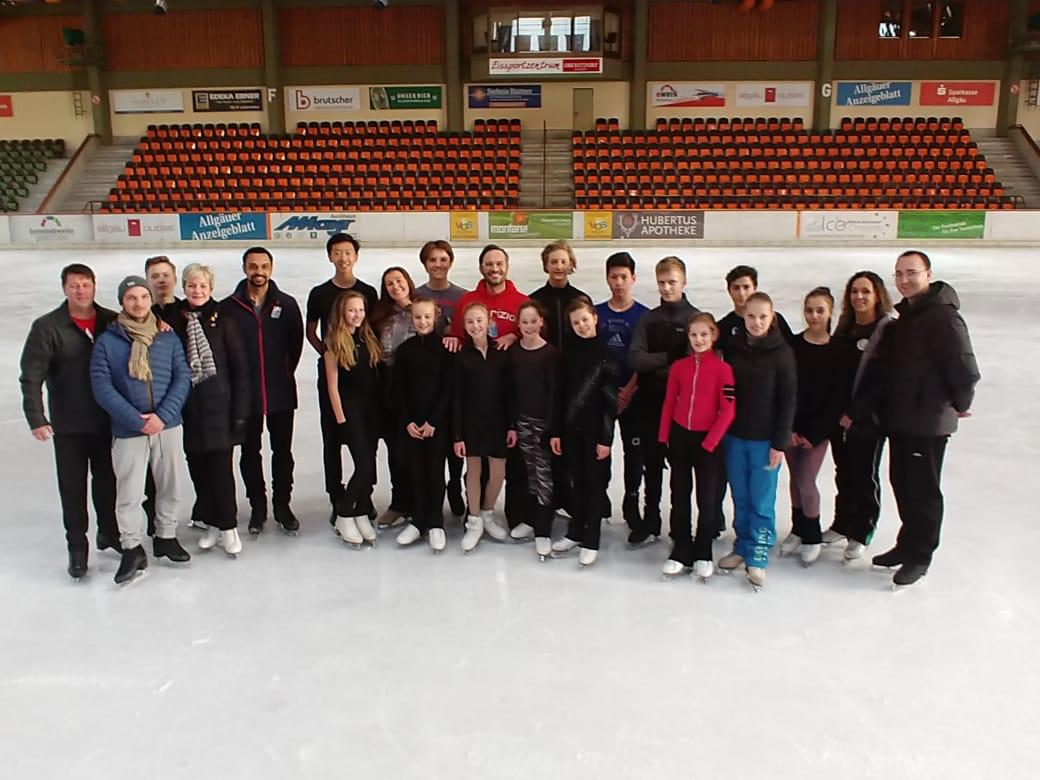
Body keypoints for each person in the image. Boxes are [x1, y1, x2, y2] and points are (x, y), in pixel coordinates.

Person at [850, 250, 980, 587]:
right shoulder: (906, 316)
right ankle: (906, 545)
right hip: (901, 418)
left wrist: (959, 402)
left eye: (912, 272)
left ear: (928, 274)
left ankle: (920, 554)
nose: (905, 280)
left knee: (922, 491)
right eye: (899, 273)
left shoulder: (942, 317)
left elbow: (964, 367)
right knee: (902, 484)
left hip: (927, 421)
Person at [20, 264, 120, 579]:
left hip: (106, 420)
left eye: (86, 284)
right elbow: (31, 376)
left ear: (94, 286)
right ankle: (77, 546)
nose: (81, 291)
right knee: (73, 488)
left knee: (108, 482)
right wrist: (37, 417)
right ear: (65, 288)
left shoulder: (110, 320)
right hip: (69, 425)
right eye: (74, 285)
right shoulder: (48, 326)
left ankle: (109, 531)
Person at [89, 276, 192, 585]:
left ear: (150, 300)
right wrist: (136, 420)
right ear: (122, 301)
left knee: (170, 483)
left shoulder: (167, 337)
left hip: (167, 425)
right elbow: (102, 386)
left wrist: (163, 416)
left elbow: (182, 377)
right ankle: (132, 546)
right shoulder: (108, 342)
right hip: (129, 430)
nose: (138, 303)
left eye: (143, 297)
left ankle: (166, 535)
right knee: (130, 492)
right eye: (131, 298)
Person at [164, 264, 251, 558]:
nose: (197, 291)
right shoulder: (174, 321)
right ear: (184, 287)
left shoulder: (224, 321)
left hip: (219, 408)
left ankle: (228, 527)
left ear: (210, 288)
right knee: (198, 469)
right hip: (187, 409)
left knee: (221, 470)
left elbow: (240, 370)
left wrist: (240, 415)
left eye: (202, 286)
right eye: (191, 285)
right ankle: (212, 522)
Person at [222, 247, 304, 536]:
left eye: (264, 266)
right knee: (249, 452)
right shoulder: (228, 307)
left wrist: (282, 372)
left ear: (271, 268)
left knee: (282, 451)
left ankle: (283, 505)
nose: (259, 272)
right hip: (245, 396)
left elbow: (296, 345)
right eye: (253, 266)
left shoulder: (288, 304)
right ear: (245, 268)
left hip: (280, 392)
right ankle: (258, 507)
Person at [719, 292, 797, 589]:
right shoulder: (735, 347)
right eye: (751, 316)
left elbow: (789, 400)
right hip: (735, 437)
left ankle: (758, 554)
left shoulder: (782, 354)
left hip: (765, 441)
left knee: (762, 501)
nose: (756, 322)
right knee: (740, 497)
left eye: (762, 316)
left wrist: (780, 442)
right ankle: (742, 545)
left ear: (772, 317)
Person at [306, 233, 379, 519]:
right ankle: (337, 495)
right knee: (333, 438)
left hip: (362, 373)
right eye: (338, 252)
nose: (343, 258)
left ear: (356, 256)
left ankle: (364, 494)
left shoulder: (368, 292)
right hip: (334, 374)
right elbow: (310, 330)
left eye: (348, 252)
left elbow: (369, 329)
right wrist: (331, 353)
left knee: (366, 441)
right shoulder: (320, 293)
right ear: (330, 256)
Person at [657, 313, 735, 581]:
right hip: (680, 438)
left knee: (708, 499)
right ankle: (681, 549)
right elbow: (668, 403)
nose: (699, 340)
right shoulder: (680, 367)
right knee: (679, 495)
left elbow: (728, 410)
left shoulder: (723, 369)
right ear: (688, 337)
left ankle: (703, 551)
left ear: (713, 335)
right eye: (694, 335)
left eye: (704, 334)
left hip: (708, 442)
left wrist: (710, 442)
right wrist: (663, 438)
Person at [627, 256, 698, 545]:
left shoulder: (694, 318)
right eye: (662, 282)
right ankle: (650, 520)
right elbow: (635, 358)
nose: (667, 288)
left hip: (684, 406)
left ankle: (681, 525)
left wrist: (658, 365)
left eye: (672, 282)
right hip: (650, 404)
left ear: (684, 282)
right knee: (651, 465)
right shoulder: (649, 318)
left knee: (681, 469)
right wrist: (670, 358)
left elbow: (696, 364)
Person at [823, 271, 894, 561]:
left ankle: (861, 530)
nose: (859, 297)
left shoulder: (886, 329)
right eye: (854, 291)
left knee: (865, 475)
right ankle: (842, 523)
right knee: (844, 471)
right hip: (839, 416)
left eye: (865, 291)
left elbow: (883, 379)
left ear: (877, 294)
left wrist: (856, 412)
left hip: (869, 419)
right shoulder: (846, 325)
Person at [550, 299, 616, 568]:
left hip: (595, 432)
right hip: (569, 430)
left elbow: (610, 402)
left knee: (594, 485)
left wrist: (606, 439)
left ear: (595, 318)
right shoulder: (566, 354)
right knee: (575, 481)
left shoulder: (607, 356)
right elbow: (558, 394)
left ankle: (592, 538)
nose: (581, 326)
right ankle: (577, 530)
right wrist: (556, 431)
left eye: (585, 320)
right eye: (576, 322)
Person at [780, 288, 843, 567]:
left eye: (820, 310)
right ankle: (798, 528)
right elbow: (786, 389)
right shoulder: (792, 346)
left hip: (817, 431)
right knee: (795, 479)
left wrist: (816, 434)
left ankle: (813, 534)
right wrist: (789, 427)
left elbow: (837, 399)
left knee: (806, 480)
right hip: (792, 426)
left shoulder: (836, 350)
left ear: (830, 312)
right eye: (809, 310)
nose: (814, 316)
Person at [596, 251, 649, 531]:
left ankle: (631, 500)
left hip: (634, 397)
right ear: (607, 279)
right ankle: (600, 497)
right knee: (601, 449)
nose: (618, 282)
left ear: (633, 279)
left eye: (623, 277)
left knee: (634, 451)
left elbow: (645, 359)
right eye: (614, 277)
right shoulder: (596, 313)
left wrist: (628, 391)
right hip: (603, 395)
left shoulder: (644, 316)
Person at [393, 298, 451, 553]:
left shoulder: (446, 349)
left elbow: (448, 389)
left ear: (436, 316)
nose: (423, 322)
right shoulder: (405, 350)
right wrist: (407, 421)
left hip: (436, 424)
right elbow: (400, 390)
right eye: (418, 317)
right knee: (416, 470)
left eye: (427, 317)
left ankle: (436, 521)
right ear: (411, 319)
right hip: (412, 424)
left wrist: (434, 421)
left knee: (436, 471)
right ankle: (418, 520)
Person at [324, 291, 382, 548]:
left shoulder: (367, 338)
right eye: (351, 310)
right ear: (341, 313)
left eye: (360, 309)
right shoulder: (334, 344)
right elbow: (332, 387)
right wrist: (341, 420)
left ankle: (360, 511)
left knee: (370, 466)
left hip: (371, 411)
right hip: (351, 412)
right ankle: (344, 513)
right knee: (364, 466)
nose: (357, 314)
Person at [415, 239, 468, 517]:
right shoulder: (416, 294)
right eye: (433, 259)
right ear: (425, 263)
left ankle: (455, 486)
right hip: (427, 376)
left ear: (450, 262)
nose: (438, 264)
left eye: (443, 259)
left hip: (455, 374)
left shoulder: (463, 296)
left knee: (455, 436)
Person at [453, 302, 511, 552]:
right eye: (470, 322)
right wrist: (458, 434)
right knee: (474, 471)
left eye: (479, 320)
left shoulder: (501, 352)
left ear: (489, 322)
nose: (475, 326)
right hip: (471, 424)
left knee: (498, 472)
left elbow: (511, 392)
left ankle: (488, 512)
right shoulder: (462, 357)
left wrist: (511, 426)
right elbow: (456, 398)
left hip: (498, 423)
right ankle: (474, 520)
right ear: (464, 327)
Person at [505, 300, 560, 560]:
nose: (528, 326)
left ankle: (543, 530)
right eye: (523, 322)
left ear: (541, 322)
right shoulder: (514, 353)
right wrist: (513, 424)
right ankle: (529, 518)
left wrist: (551, 427)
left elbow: (554, 394)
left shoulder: (551, 354)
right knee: (528, 472)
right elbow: (510, 392)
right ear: (518, 325)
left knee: (544, 474)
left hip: (543, 424)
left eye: (533, 321)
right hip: (522, 422)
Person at [370, 266, 417, 528]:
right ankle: (399, 503)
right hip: (388, 387)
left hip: (416, 385)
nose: (395, 286)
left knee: (416, 451)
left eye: (399, 281)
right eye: (389, 283)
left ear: (408, 282)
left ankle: (421, 503)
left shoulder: (424, 310)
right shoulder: (380, 316)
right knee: (396, 449)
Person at [446, 244, 526, 352]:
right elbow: (457, 334)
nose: (494, 269)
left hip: (512, 364)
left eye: (499, 264)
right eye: (489, 264)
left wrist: (514, 336)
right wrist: (453, 338)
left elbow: (534, 334)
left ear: (507, 266)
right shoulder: (467, 301)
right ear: (481, 268)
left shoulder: (523, 302)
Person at [715, 265, 794, 355]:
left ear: (755, 288)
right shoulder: (723, 326)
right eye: (736, 288)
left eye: (746, 287)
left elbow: (792, 348)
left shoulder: (774, 319)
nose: (741, 293)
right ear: (729, 290)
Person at [529, 239, 588, 350]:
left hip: (573, 361)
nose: (559, 267)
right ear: (546, 265)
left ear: (571, 265)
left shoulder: (581, 299)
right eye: (554, 262)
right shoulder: (534, 300)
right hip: (544, 360)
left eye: (563, 262)